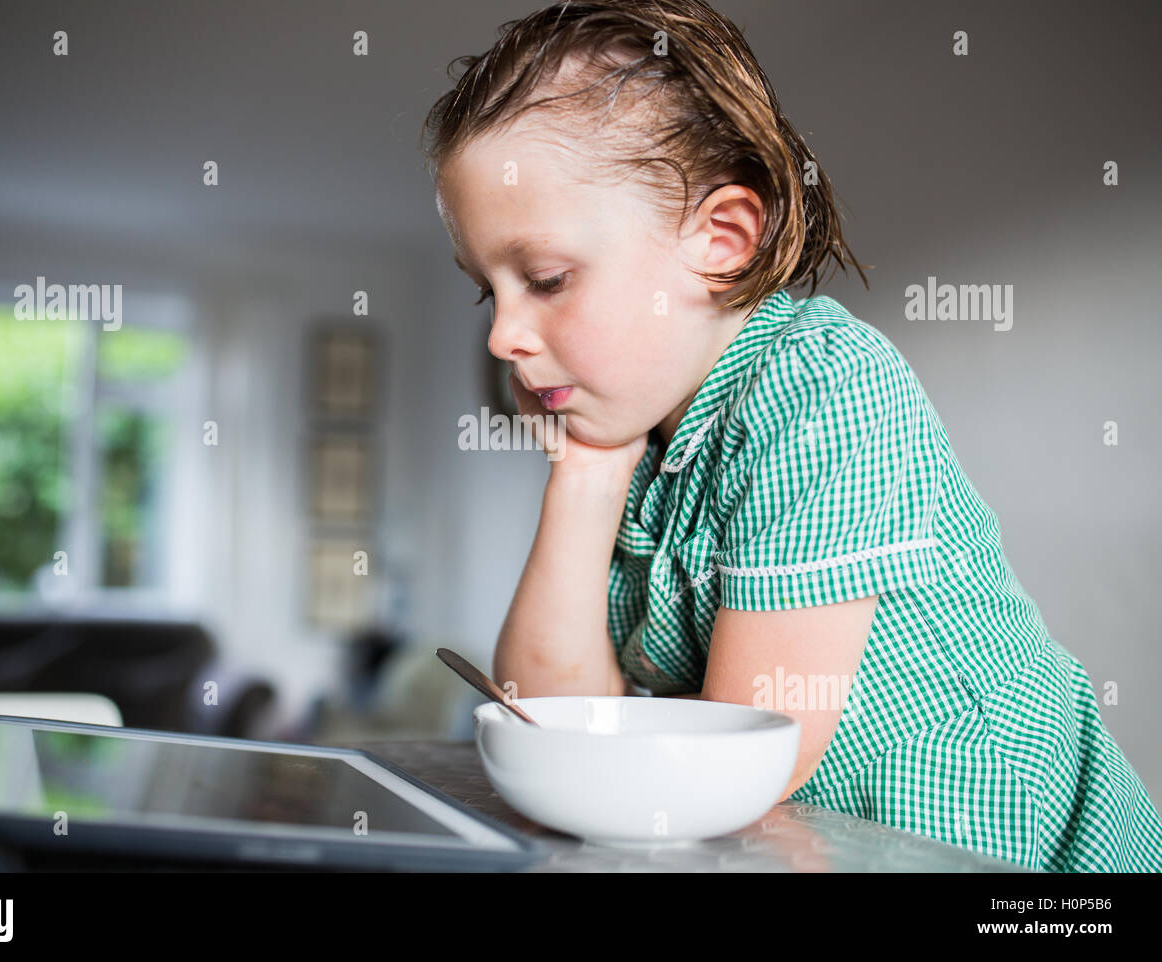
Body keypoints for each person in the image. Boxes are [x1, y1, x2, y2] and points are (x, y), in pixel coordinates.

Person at [419, 0, 1162, 872]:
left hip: (1012, 857)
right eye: (488, 291)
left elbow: (747, 759)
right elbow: (550, 719)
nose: (503, 333)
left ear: (722, 240)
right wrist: (585, 478)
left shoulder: (819, 381)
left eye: (544, 278)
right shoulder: (639, 451)